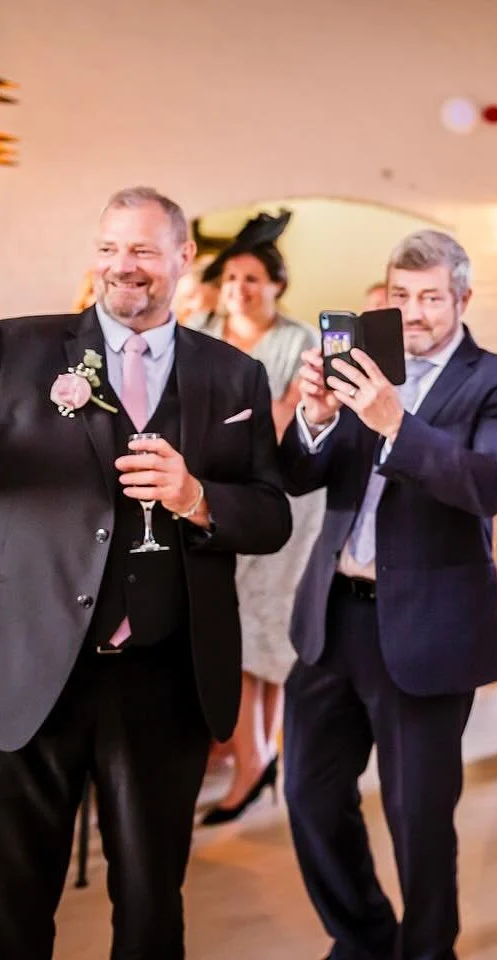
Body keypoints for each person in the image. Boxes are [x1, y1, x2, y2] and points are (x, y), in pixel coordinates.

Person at [0, 186, 292, 959]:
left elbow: (269, 514)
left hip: (162, 680)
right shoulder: (11, 347)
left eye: (144, 251)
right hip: (16, 664)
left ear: (184, 260)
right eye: (109, 249)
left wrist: (195, 498)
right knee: (3, 909)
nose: (123, 268)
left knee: (153, 903)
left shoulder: (234, 377)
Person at [279, 229, 497, 959]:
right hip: (332, 623)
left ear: (462, 299)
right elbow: (297, 475)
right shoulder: (361, 368)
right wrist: (318, 417)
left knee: (418, 818)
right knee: (309, 796)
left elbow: (486, 487)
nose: (414, 311)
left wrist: (395, 420)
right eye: (401, 296)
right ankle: (362, 938)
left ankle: (429, 951)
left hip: (429, 634)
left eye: (431, 297)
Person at [190, 230, 324, 824]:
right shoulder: (201, 337)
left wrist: (230, 427)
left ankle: (254, 760)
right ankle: (257, 754)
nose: (239, 289)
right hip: (214, 499)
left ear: (276, 285)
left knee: (264, 629)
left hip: (283, 501)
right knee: (234, 628)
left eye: (252, 278)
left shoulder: (300, 343)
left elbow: (277, 427)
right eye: (231, 279)